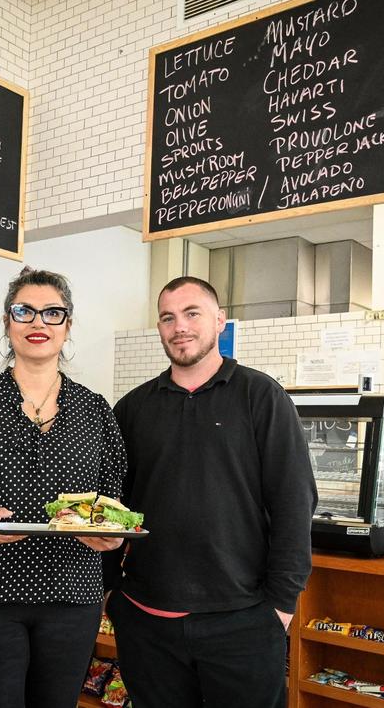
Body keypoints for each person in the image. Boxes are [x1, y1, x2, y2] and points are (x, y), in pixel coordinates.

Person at [104, 276, 317, 708]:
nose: (179, 326)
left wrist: (280, 607)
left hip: (243, 621)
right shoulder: (132, 407)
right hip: (146, 622)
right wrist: (112, 592)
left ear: (220, 321)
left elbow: (294, 504)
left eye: (192, 313)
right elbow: (109, 508)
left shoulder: (262, 397)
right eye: (168, 317)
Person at [0, 267, 128, 708]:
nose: (39, 323)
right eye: (25, 311)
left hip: (71, 593)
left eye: (52, 313)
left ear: (68, 326)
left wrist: (109, 535)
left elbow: (111, 508)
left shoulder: (95, 412)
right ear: (7, 323)